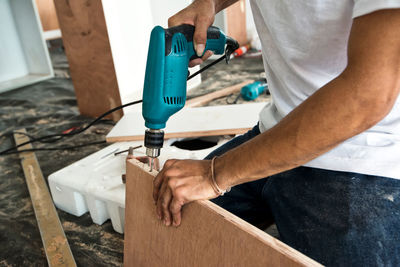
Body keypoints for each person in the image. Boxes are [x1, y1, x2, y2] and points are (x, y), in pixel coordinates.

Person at [152, 0, 400, 265]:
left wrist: (216, 174)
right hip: (275, 131)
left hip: (362, 156)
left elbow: (367, 97)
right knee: (163, 229)